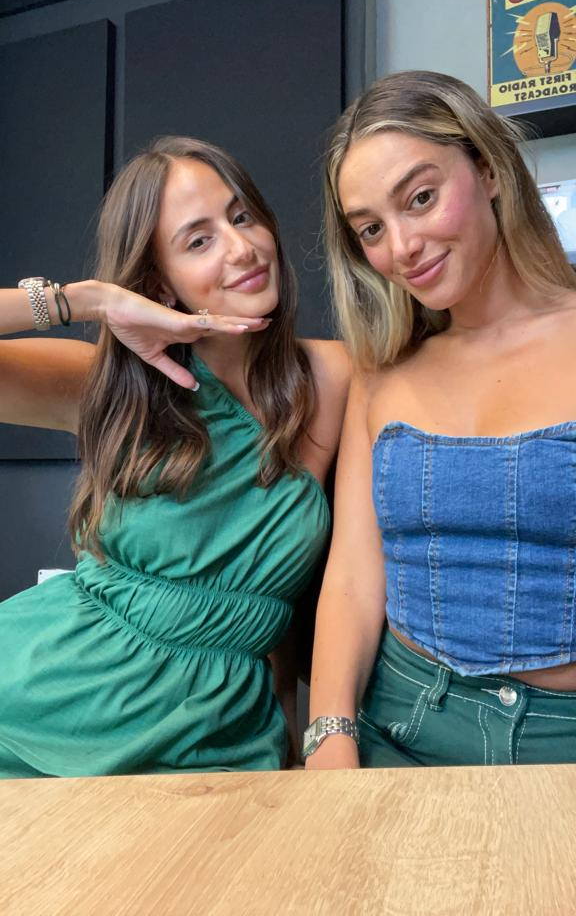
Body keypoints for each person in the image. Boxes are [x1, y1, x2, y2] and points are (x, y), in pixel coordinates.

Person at [0, 136, 349, 778]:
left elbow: (286, 603)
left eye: (242, 216)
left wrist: (293, 739)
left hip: (220, 740)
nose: (241, 248)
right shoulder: (109, 387)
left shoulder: (333, 378)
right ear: (159, 283)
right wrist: (89, 299)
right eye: (199, 240)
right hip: (40, 711)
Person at [305, 70, 576, 769]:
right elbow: (355, 576)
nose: (401, 247)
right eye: (371, 229)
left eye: (420, 198)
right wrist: (329, 736)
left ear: (488, 170)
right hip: (400, 726)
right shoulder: (383, 369)